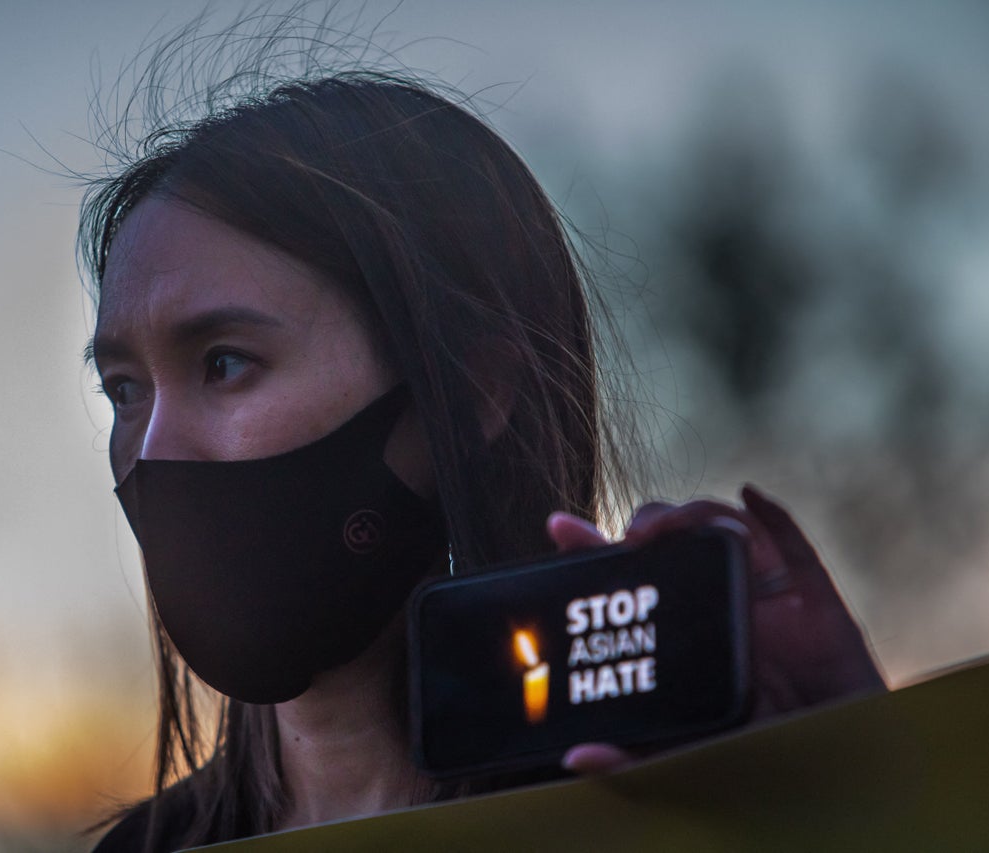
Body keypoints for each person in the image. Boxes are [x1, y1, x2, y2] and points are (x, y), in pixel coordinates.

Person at [81, 67, 883, 852]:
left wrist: (865, 796)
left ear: (466, 395)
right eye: (124, 389)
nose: (150, 452)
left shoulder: (655, 812)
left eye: (224, 363)